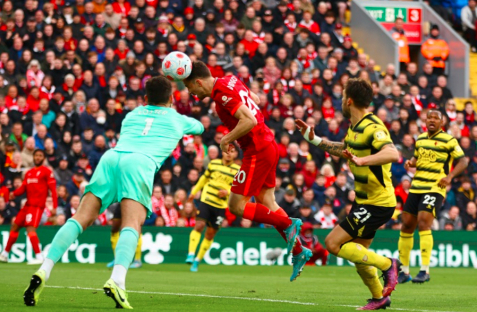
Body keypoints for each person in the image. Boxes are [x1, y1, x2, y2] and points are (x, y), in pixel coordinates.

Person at [22, 76, 203, 309]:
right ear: (170, 98)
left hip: (111, 158)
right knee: (131, 224)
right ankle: (117, 280)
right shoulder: (177, 119)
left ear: (145, 98)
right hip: (140, 163)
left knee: (79, 218)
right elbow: (199, 127)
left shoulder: (131, 115)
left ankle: (44, 269)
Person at [183, 61, 312, 282]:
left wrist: (227, 139)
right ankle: (300, 251)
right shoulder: (230, 80)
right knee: (268, 204)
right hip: (267, 143)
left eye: (190, 88)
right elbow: (257, 100)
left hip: (257, 150)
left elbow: (249, 120)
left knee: (236, 205)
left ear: (197, 81)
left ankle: (288, 223)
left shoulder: (221, 93)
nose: (191, 93)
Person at [296, 78, 401, 310]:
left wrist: (364, 160)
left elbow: (392, 153)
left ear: (349, 100)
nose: (341, 101)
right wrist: (313, 139)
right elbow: (344, 150)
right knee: (359, 254)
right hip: (365, 202)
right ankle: (380, 297)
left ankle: (388, 264)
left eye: (343, 97)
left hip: (377, 204)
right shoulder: (354, 127)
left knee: (333, 244)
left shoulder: (373, 127)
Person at [398, 110, 468, 284]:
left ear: (442, 122)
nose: (432, 120)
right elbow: (417, 158)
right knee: (406, 224)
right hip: (416, 187)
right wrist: (411, 163)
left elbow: (463, 161)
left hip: (435, 187)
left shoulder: (449, 140)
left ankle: (424, 270)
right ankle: (404, 270)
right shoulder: (420, 139)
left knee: (423, 222)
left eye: (436, 118)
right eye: (429, 117)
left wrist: (450, 177)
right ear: (425, 120)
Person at [0, 149, 58, 265]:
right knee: (15, 227)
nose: (37, 157)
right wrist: (14, 193)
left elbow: (53, 190)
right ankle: (4, 255)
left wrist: (54, 206)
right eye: (36, 155)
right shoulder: (29, 172)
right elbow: (23, 188)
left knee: (30, 229)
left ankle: (39, 257)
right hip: (27, 205)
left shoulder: (46, 172)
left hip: (37, 206)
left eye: (40, 156)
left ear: (44, 158)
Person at [185, 145, 240, 272]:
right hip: (207, 200)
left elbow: (238, 189)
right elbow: (204, 178)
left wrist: (227, 191)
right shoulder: (213, 164)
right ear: (222, 152)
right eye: (227, 151)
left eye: (232, 151)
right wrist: (195, 192)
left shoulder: (238, 170)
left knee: (210, 234)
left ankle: (197, 261)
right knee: (199, 225)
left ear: (235, 154)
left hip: (221, 206)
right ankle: (191, 254)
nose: (228, 154)